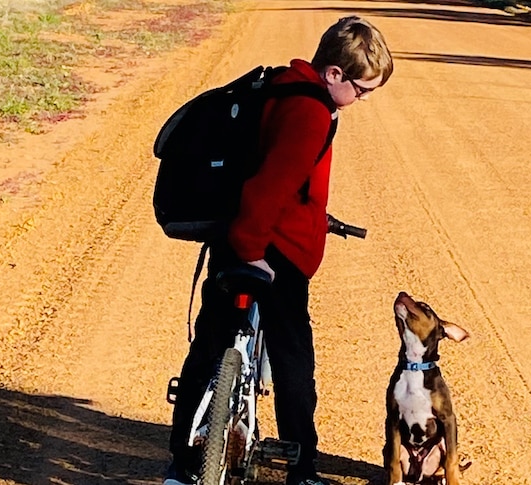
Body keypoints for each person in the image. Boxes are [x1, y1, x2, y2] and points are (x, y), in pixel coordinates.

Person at [165, 15, 393, 485]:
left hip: (234, 238)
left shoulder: (280, 84)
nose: (362, 100)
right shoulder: (310, 113)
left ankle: (181, 465)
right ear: (334, 74)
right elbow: (272, 185)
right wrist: (253, 248)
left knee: (209, 346)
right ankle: (302, 468)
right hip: (270, 248)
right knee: (293, 360)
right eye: (362, 90)